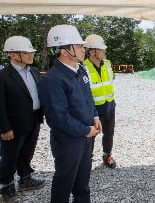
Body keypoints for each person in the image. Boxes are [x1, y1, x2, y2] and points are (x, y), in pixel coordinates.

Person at [38, 25, 102, 203]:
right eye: (79, 46)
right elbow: (58, 118)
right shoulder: (53, 79)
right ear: (65, 51)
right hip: (68, 141)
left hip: (85, 136)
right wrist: (85, 130)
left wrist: (95, 116)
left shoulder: (80, 70)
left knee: (82, 183)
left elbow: (88, 98)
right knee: (64, 183)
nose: (84, 49)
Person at [0, 36, 45, 202]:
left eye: (31, 51)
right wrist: (4, 128)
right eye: (26, 52)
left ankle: (25, 178)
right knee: (9, 155)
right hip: (14, 124)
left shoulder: (33, 70)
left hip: (34, 119)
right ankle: (6, 184)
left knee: (27, 151)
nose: (31, 54)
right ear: (12, 54)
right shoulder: (4, 76)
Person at [83, 34, 117, 168]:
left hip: (109, 105)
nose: (104, 52)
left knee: (109, 133)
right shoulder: (83, 67)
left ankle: (107, 155)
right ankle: (86, 160)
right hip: (93, 109)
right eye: (101, 49)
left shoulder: (107, 64)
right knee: (90, 136)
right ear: (92, 51)